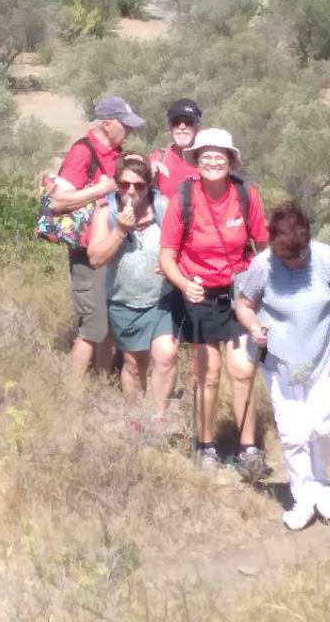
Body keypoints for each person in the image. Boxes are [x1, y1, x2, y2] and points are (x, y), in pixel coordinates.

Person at [233, 202, 330, 531]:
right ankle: (303, 495)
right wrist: (253, 327)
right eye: (285, 257)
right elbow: (244, 305)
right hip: (280, 361)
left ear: (307, 242)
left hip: (324, 356)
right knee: (293, 431)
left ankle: (322, 483)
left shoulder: (325, 257)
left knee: (322, 424)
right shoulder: (263, 265)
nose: (292, 263)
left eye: (297, 256)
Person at [158, 128, 268, 471]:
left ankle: (247, 448)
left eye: (220, 155)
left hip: (238, 294)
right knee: (208, 373)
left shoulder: (246, 195)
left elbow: (263, 248)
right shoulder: (184, 199)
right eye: (205, 155)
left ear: (231, 160)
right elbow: (166, 256)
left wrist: (262, 291)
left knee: (242, 370)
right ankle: (205, 444)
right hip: (199, 294)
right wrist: (183, 284)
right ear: (197, 160)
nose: (213, 161)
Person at [51, 96, 145, 378]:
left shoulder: (117, 155)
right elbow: (57, 201)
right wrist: (100, 190)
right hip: (87, 254)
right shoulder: (83, 152)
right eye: (124, 125)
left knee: (109, 327)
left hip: (112, 248)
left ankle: (102, 386)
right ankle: (72, 396)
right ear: (107, 124)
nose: (129, 131)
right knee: (93, 328)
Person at [87, 154, 179, 433]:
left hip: (162, 299)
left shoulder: (164, 208)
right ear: (117, 184)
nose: (131, 191)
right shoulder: (107, 213)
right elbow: (95, 258)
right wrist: (120, 231)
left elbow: (184, 246)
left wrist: (171, 267)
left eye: (139, 186)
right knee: (133, 362)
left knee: (166, 355)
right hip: (124, 300)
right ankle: (135, 419)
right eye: (125, 184)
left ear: (149, 185)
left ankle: (158, 417)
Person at [149, 99, 202, 198]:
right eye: (176, 122)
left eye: (188, 122)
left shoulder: (208, 160)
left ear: (198, 127)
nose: (182, 126)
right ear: (169, 126)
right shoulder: (157, 159)